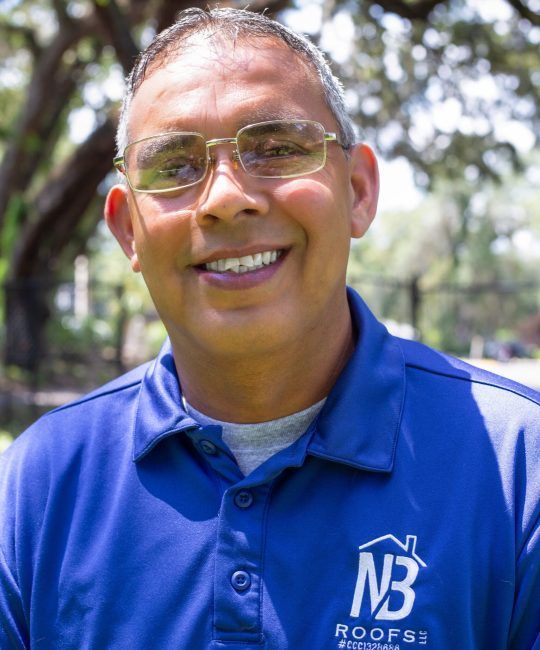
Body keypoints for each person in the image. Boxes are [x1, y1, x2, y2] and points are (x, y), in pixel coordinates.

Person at [1, 7, 538, 649]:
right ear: (127, 230)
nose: (227, 197)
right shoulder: (41, 483)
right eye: (173, 165)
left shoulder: (518, 471)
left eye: (278, 148)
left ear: (360, 190)